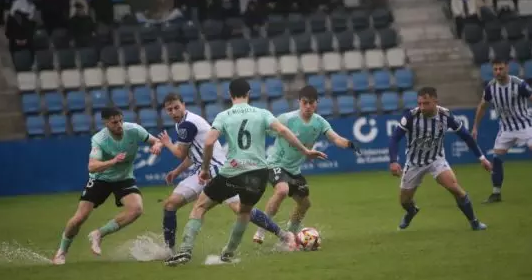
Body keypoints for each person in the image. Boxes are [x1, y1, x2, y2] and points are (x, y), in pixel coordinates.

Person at [164, 79, 327, 266]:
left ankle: (185, 251)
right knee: (244, 212)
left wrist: (205, 169)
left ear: (230, 95)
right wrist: (305, 151)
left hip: (233, 171)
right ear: (248, 93)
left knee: (200, 207)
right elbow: (283, 130)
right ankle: (228, 253)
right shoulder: (262, 113)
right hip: (259, 174)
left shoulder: (223, 115)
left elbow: (208, 142)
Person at [157, 93, 297, 257]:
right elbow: (192, 154)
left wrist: (166, 143)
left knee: (240, 209)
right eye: (169, 110)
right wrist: (177, 171)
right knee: (170, 204)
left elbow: (180, 153)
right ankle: (170, 250)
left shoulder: (188, 124)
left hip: (217, 170)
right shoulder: (182, 122)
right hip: (202, 171)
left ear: (184, 105)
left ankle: (283, 235)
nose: (173, 112)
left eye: (176, 108)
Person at [52, 108, 163, 265]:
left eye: (120, 120)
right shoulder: (99, 139)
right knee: (79, 218)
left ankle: (98, 234)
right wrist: (112, 161)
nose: (119, 125)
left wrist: (157, 146)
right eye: (114, 122)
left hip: (124, 178)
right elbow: (92, 166)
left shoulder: (134, 130)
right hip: (100, 179)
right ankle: (62, 251)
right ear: (106, 123)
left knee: (136, 209)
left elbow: (156, 140)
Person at [252, 86, 361, 244]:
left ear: (317, 103)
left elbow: (336, 138)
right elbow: (268, 131)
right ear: (299, 102)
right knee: (282, 190)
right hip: (275, 164)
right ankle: (261, 229)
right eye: (305, 102)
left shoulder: (319, 122)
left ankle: (289, 235)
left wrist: (350, 144)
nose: (308, 106)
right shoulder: (287, 119)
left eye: (311, 103)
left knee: (305, 204)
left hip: (294, 170)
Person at [388, 87, 491, 231]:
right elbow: (394, 138)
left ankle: (474, 222)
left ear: (435, 101)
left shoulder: (446, 116)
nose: (422, 107)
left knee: (455, 189)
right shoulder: (411, 116)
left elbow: (466, 136)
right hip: (414, 163)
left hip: (437, 160)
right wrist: (393, 160)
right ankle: (411, 211)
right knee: (404, 201)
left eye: (426, 103)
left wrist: (482, 158)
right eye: (420, 103)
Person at [472, 59, 532, 203]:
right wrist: (475, 126)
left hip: (525, 126)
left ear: (507, 68)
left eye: (501, 68)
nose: (498, 72)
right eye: (495, 69)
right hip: (506, 129)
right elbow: (482, 106)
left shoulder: (518, 84)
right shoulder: (491, 87)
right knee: (496, 159)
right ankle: (496, 193)